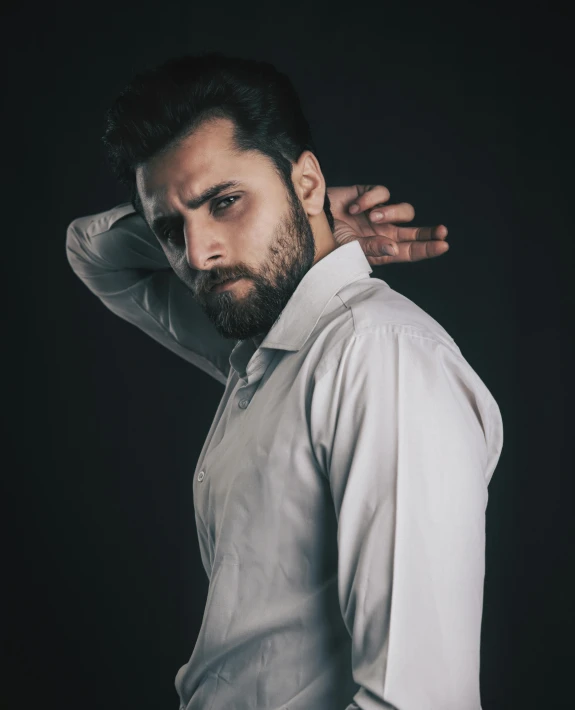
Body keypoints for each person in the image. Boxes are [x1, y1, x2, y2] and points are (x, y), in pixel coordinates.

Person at [65, 52, 503, 710]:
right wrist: (280, 208)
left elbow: (417, 699)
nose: (199, 253)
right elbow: (92, 254)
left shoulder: (377, 358)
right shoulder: (266, 347)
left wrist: (305, 211)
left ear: (304, 183)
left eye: (225, 201)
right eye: (170, 229)